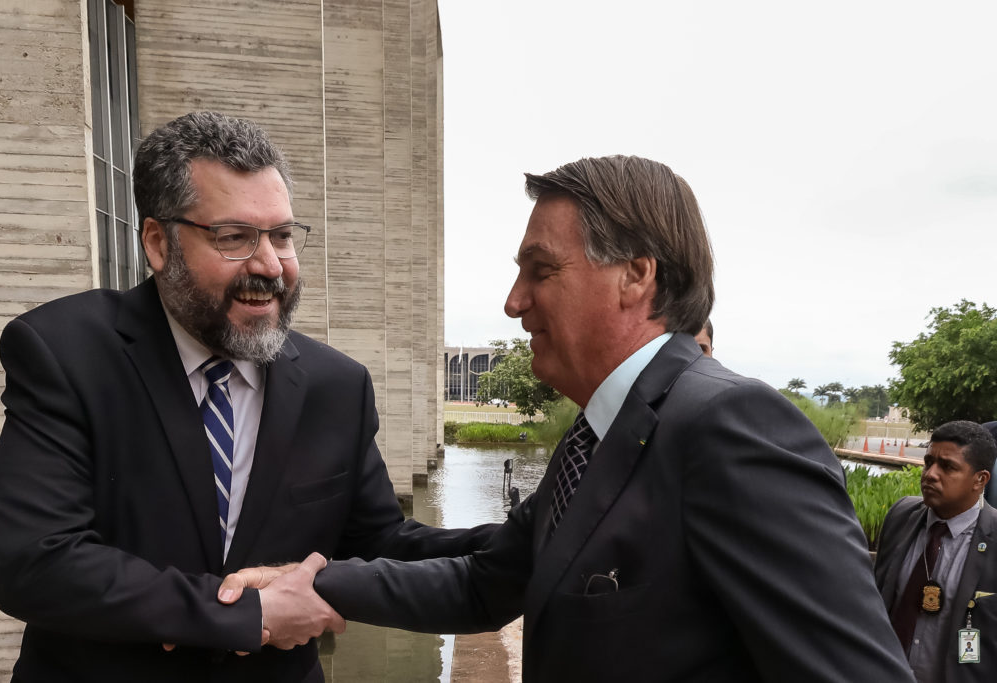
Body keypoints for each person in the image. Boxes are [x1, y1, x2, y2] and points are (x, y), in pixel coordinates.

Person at [222, 155, 916, 682]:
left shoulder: (731, 426)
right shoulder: (597, 437)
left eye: (540, 269)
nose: (513, 301)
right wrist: (308, 580)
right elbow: (483, 581)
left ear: (635, 276)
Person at [0, 111, 494, 682]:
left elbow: (380, 544)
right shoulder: (64, 353)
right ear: (158, 243)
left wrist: (539, 535)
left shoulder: (337, 386)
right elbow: (37, 563)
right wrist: (245, 614)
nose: (270, 265)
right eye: (234, 238)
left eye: (281, 235)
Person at [874, 420, 997, 682]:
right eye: (929, 461)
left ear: (980, 479)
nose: (930, 474)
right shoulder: (901, 515)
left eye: (948, 467)